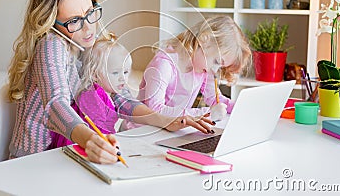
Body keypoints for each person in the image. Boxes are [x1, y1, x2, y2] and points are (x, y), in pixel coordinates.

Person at [7, 0, 212, 164]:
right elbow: (55, 103)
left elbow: (119, 97)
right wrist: (89, 140)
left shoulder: (91, 44)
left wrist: (165, 120)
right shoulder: (51, 44)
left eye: (90, 14)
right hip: (35, 159)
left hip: (67, 152)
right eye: (74, 21)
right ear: (50, 24)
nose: (88, 29)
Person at [50, 32, 216, 148]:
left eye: (126, 72)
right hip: (78, 145)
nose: (122, 78)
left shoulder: (112, 92)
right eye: (115, 73)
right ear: (94, 74)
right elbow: (100, 131)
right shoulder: (92, 96)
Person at [124, 16, 251, 130]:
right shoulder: (164, 65)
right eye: (217, 61)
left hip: (170, 130)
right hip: (139, 131)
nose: (215, 70)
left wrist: (242, 108)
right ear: (204, 40)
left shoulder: (205, 68)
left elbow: (215, 99)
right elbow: (154, 110)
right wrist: (205, 113)